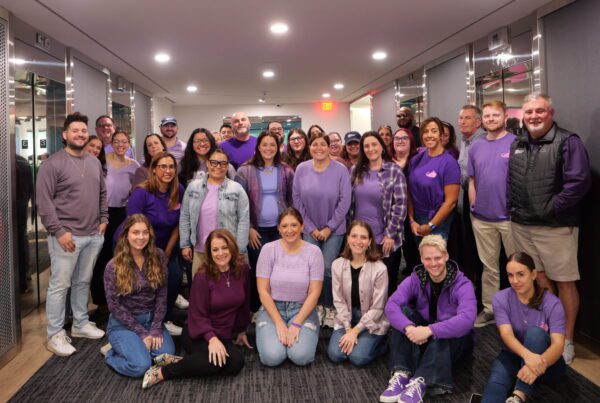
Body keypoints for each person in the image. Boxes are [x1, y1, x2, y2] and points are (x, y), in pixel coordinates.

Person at [508, 93, 591, 365]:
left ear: (551, 114)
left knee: (564, 282)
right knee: (541, 281)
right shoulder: (518, 142)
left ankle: (566, 341)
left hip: (555, 226)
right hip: (522, 224)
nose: (533, 116)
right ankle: (550, 334)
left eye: (540, 111)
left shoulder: (568, 141)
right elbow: (512, 180)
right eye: (529, 112)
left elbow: (579, 182)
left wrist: (551, 208)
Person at [141, 229, 252, 388]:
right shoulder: (202, 276)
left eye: (224, 248)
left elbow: (245, 303)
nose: (220, 253)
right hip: (198, 333)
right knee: (215, 363)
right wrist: (212, 339)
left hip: (224, 334)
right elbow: (197, 316)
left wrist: (241, 331)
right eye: (215, 249)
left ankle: (183, 362)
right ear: (209, 253)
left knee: (236, 362)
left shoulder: (242, 270)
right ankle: (163, 372)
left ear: (232, 248)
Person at [36, 112, 107, 356]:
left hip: (93, 234)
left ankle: (80, 323)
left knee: (83, 281)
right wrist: (59, 232)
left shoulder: (94, 162)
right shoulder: (52, 164)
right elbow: (44, 203)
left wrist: (104, 219)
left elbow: (102, 193)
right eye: (75, 130)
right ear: (65, 135)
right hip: (66, 237)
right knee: (60, 285)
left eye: (83, 130)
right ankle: (55, 334)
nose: (80, 134)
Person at [380, 235, 476, 402]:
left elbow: (467, 319)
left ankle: (422, 381)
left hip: (453, 343)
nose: (433, 263)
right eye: (428, 259)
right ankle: (402, 373)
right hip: (422, 337)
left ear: (446, 256)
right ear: (421, 259)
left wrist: (430, 330)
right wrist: (409, 328)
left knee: (448, 323)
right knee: (403, 312)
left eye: (437, 258)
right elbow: (391, 305)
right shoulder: (416, 278)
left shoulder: (462, 283)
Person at [482, 252, 567, 403]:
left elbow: (558, 345)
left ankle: (519, 395)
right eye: (510, 275)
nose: (515, 281)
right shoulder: (501, 298)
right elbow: (506, 335)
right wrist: (528, 357)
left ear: (533, 274)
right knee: (495, 384)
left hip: (548, 362)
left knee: (535, 334)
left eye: (521, 274)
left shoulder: (552, 303)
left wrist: (533, 364)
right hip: (514, 355)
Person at [103, 214, 175, 378]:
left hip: (151, 321)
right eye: (135, 232)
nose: (141, 237)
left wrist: (156, 328)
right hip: (124, 324)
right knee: (141, 366)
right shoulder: (113, 266)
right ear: (126, 235)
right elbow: (114, 306)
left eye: (145, 232)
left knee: (166, 358)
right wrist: (142, 333)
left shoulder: (158, 256)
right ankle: (111, 354)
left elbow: (162, 296)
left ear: (150, 234)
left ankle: (134, 349)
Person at [293, 132, 351, 327]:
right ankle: (316, 305)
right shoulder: (301, 169)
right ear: (309, 147)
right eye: (314, 144)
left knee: (327, 267)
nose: (318, 148)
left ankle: (330, 305)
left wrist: (329, 228)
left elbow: (345, 201)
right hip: (309, 228)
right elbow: (297, 200)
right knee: (312, 268)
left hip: (334, 229)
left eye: (322, 144)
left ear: (329, 147)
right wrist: (310, 228)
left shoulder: (340, 170)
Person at [126, 152, 186, 336]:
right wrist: (151, 255)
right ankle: (141, 322)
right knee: (147, 281)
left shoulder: (178, 190)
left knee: (174, 277)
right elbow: (134, 228)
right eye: (163, 166)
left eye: (171, 167)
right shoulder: (141, 192)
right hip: (138, 245)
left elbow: (178, 225)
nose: (168, 171)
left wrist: (166, 254)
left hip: (166, 244)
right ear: (153, 169)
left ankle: (163, 320)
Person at [255, 208, 324, 366]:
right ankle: (280, 340)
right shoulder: (268, 250)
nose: (289, 230)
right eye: (284, 226)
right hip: (273, 309)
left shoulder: (314, 252)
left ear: (302, 226)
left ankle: (294, 339)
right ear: (278, 229)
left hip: (302, 310)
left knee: (301, 357)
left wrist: (297, 323)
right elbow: (263, 291)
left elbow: (314, 293)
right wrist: (279, 322)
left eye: (294, 225)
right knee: (272, 357)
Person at [468, 101, 516, 328]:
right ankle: (490, 309)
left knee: (518, 267)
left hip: (510, 219)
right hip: (482, 218)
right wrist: (474, 206)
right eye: (487, 116)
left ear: (505, 116)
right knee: (489, 268)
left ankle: (521, 310)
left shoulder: (516, 143)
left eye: (495, 115)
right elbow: (472, 180)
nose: (491, 119)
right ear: (482, 120)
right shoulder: (476, 146)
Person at [235, 131, 294, 312]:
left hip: (281, 230)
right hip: (257, 231)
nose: (269, 148)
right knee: (260, 270)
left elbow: (292, 200)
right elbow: (239, 203)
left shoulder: (286, 170)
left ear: (278, 148)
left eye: (272, 145)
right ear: (258, 147)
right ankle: (257, 308)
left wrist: (290, 227)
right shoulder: (245, 170)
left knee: (281, 268)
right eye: (265, 144)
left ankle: (279, 305)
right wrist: (249, 228)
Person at [350, 131, 407, 295]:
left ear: (382, 147)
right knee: (363, 284)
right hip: (360, 239)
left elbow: (400, 205)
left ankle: (390, 311)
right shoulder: (355, 171)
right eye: (366, 146)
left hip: (384, 239)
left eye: (374, 144)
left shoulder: (394, 171)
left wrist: (390, 234)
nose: (370, 149)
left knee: (387, 286)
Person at [91, 130, 140, 314]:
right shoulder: (101, 161)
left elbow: (136, 190)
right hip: (100, 212)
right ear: (111, 144)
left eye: (124, 142)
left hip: (121, 214)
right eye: (117, 141)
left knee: (118, 255)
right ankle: (100, 300)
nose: (121, 145)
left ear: (129, 144)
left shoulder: (134, 165)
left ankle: (120, 297)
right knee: (100, 256)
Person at [328, 221, 389, 367]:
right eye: (354, 236)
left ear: (370, 242)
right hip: (347, 317)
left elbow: (378, 308)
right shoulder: (337, 264)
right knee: (336, 355)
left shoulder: (380, 269)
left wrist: (355, 331)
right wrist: (348, 329)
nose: (358, 241)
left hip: (371, 320)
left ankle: (382, 344)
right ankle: (361, 342)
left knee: (358, 358)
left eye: (363, 237)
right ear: (348, 239)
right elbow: (339, 301)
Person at [180, 149, 250, 276]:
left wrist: (240, 251)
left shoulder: (237, 189)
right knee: (200, 285)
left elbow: (244, 221)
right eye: (214, 162)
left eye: (223, 163)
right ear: (207, 163)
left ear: (227, 166)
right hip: (200, 250)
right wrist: (185, 244)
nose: (218, 166)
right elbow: (185, 216)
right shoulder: (193, 187)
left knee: (228, 286)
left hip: (228, 252)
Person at [407, 117, 460, 241]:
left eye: (434, 131)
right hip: (416, 221)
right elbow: (409, 192)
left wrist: (431, 225)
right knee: (420, 253)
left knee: (434, 253)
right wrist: (411, 220)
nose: (429, 135)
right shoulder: (416, 159)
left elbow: (451, 202)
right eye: (425, 131)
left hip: (438, 220)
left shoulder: (449, 162)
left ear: (441, 135)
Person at [456, 105, 485, 282]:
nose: (463, 121)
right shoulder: (465, 140)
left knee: (482, 247)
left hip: (482, 198)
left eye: (468, 118)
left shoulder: (482, 141)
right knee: (471, 243)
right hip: (468, 195)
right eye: (461, 118)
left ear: (478, 122)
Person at [391, 128, 420, 273]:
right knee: (393, 251)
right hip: (393, 212)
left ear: (411, 141)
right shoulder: (387, 162)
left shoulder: (418, 160)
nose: (400, 141)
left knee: (412, 248)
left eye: (404, 138)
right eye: (397, 138)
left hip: (413, 211)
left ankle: (414, 275)